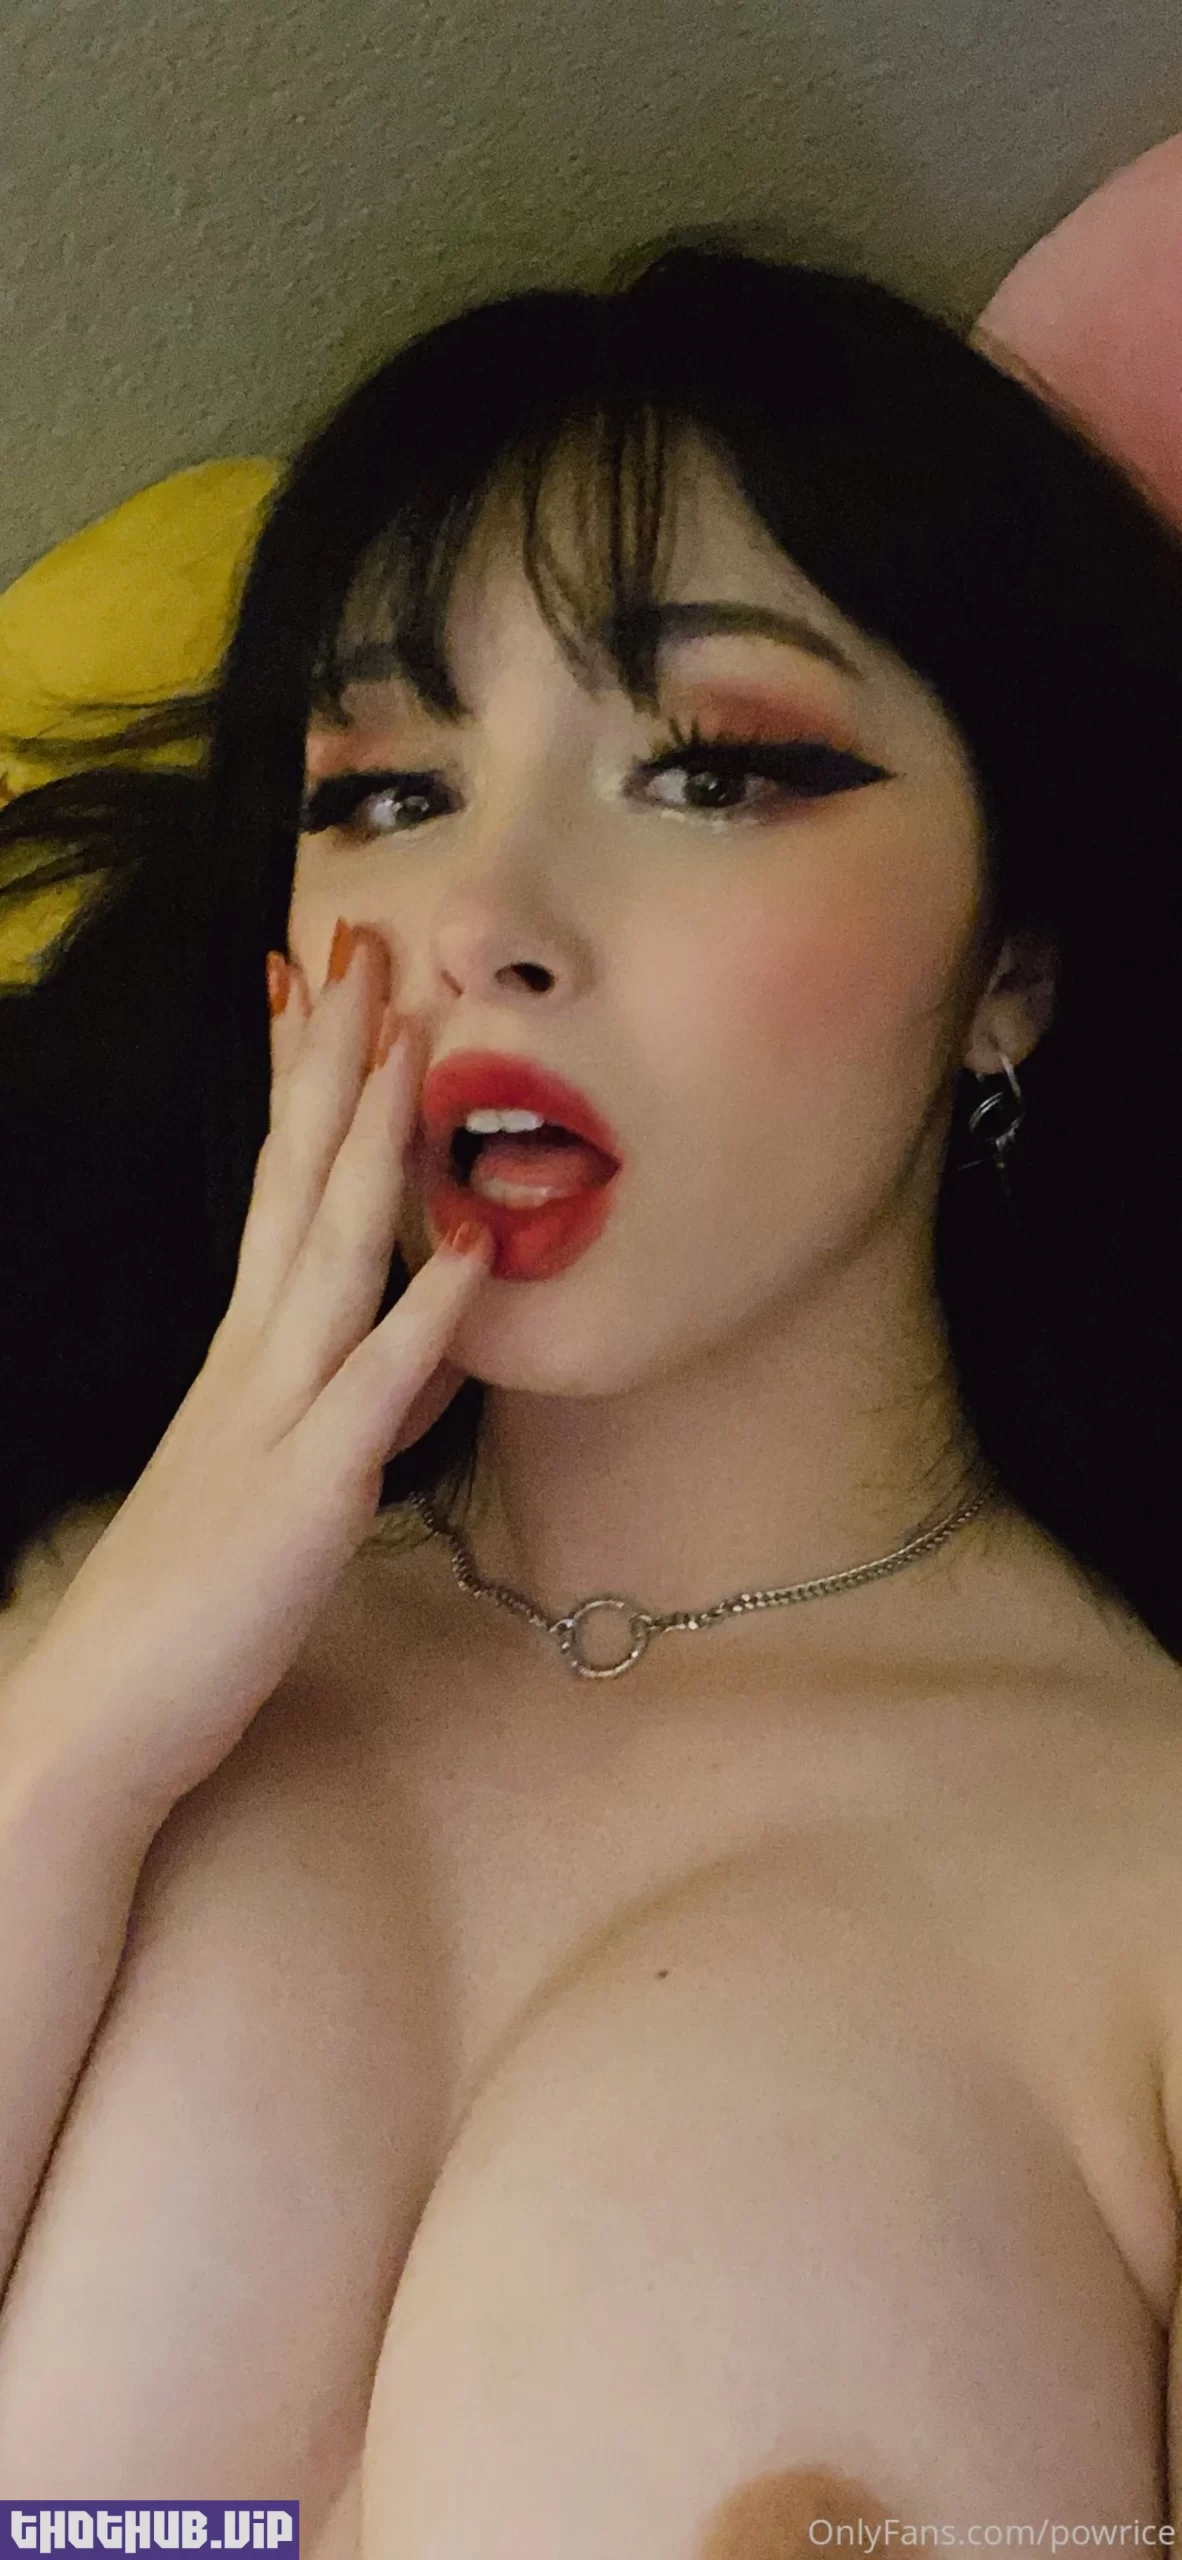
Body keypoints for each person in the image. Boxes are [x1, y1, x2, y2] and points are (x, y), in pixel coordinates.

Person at [0, 228, 1181, 2548]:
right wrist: (83, 1734)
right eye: (381, 792)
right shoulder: (78, 1653)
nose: (487, 921)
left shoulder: (1144, 1880)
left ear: (1013, 966)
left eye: (715, 771)